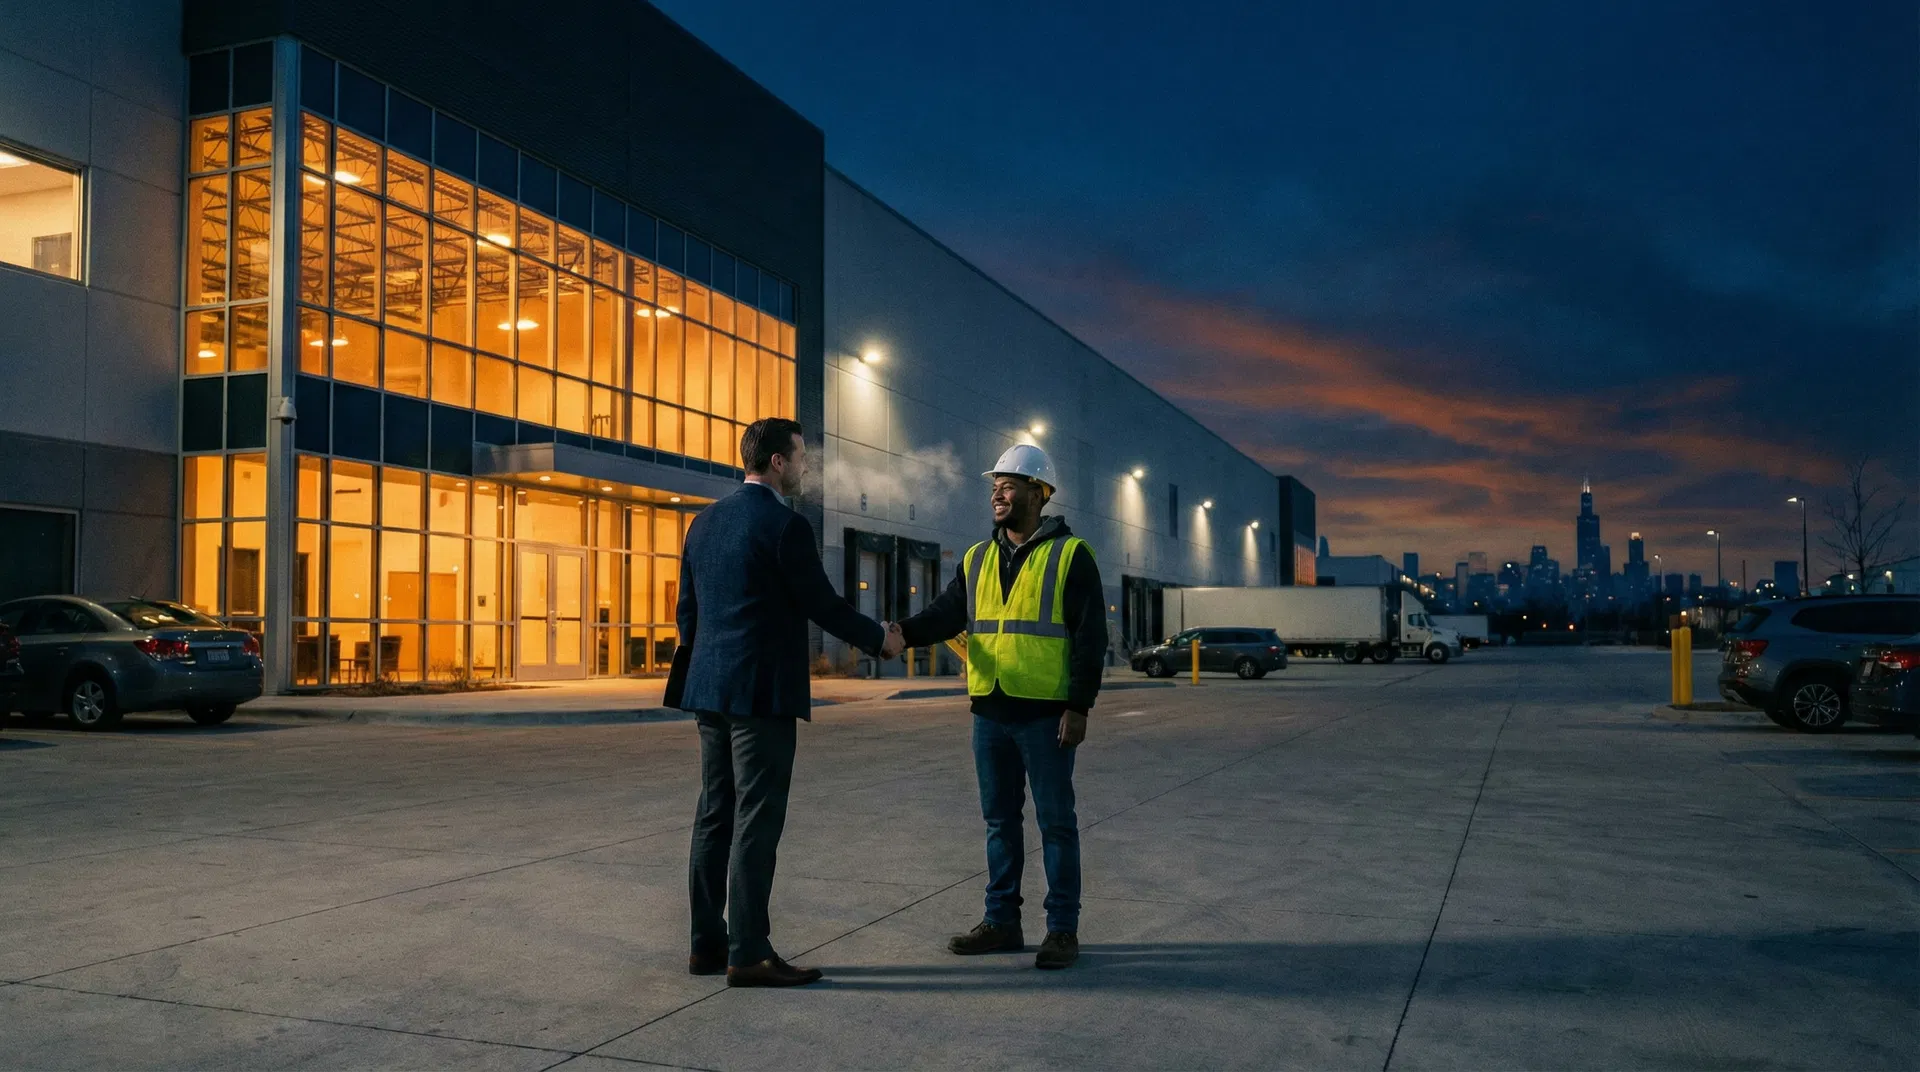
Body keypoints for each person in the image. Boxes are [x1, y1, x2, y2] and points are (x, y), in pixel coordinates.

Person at [668, 416, 906, 987]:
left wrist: (706, 670)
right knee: (756, 818)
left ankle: (707, 945)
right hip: (760, 695)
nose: (805, 466)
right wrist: (880, 639)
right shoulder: (784, 525)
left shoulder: (702, 523)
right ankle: (748, 953)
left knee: (714, 815)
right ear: (777, 461)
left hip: (709, 692)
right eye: (800, 457)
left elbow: (687, 615)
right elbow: (821, 604)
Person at [893, 443, 1106, 970]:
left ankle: (1061, 930)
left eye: (1009, 485)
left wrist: (1079, 706)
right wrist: (896, 633)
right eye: (995, 485)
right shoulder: (976, 557)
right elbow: (945, 616)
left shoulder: (1071, 555)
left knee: (1056, 822)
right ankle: (1002, 922)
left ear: (1040, 493)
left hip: (1045, 712)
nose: (998, 492)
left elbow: (1089, 637)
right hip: (990, 710)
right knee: (999, 821)